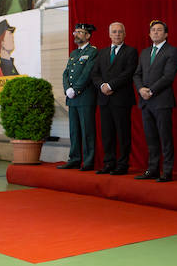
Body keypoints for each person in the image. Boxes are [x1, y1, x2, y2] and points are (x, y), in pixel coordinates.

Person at [133, 20, 177, 182]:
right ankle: (152, 169)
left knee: (165, 137)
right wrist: (140, 89)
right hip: (145, 102)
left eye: (159, 30)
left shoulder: (172, 51)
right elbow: (136, 74)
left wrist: (151, 90)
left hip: (161, 101)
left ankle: (167, 171)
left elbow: (168, 76)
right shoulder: (145, 52)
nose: (155, 32)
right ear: (149, 34)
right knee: (150, 137)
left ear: (166, 34)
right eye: (153, 30)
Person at [90, 22, 138, 175]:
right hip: (104, 99)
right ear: (109, 34)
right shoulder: (102, 53)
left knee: (123, 133)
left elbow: (128, 72)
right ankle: (108, 163)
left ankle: (123, 164)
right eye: (114, 32)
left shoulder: (131, 51)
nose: (117, 34)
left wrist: (111, 86)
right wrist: (102, 85)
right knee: (107, 133)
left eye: (120, 32)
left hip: (121, 99)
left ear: (124, 34)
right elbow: (94, 73)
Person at [58, 23, 99, 171]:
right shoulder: (74, 54)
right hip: (72, 97)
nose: (76, 34)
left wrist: (75, 89)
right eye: (75, 32)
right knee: (74, 130)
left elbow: (87, 73)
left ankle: (88, 161)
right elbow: (66, 73)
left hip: (85, 97)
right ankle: (74, 158)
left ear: (88, 35)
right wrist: (67, 88)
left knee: (87, 130)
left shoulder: (93, 52)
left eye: (80, 32)